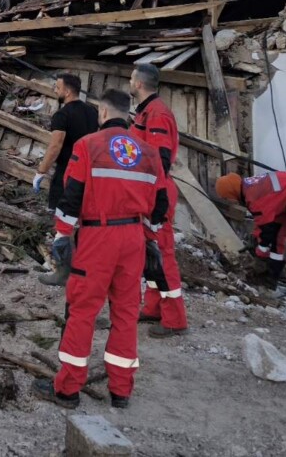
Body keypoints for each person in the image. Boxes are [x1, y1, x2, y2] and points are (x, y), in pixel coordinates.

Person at [33, 89, 168, 411]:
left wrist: (61, 236)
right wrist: (149, 237)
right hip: (133, 237)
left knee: (82, 312)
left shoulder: (88, 146)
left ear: (103, 114)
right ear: (129, 115)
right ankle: (121, 391)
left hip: (98, 237)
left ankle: (67, 390)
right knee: (125, 314)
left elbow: (71, 197)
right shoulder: (148, 153)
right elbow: (161, 205)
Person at [129, 63, 187, 336]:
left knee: (163, 256)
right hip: (149, 192)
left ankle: (175, 320)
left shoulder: (157, 113)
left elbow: (160, 159)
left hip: (157, 193)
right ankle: (154, 308)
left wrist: (157, 199)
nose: (130, 82)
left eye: (131, 79)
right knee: (150, 255)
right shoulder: (145, 112)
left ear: (139, 83)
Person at [216, 170, 286, 310]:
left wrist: (260, 251)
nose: (228, 202)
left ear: (231, 193)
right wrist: (257, 241)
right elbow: (264, 221)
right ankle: (270, 283)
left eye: (226, 198)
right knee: (276, 245)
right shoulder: (248, 187)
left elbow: (267, 229)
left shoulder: (254, 197)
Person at [33, 74, 100, 286]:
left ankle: (61, 270)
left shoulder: (62, 115)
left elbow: (55, 146)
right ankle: (78, 264)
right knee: (81, 220)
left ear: (67, 91)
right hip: (89, 173)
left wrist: (41, 171)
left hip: (67, 173)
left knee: (62, 219)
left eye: (58, 87)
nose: (55, 90)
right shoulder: (93, 112)